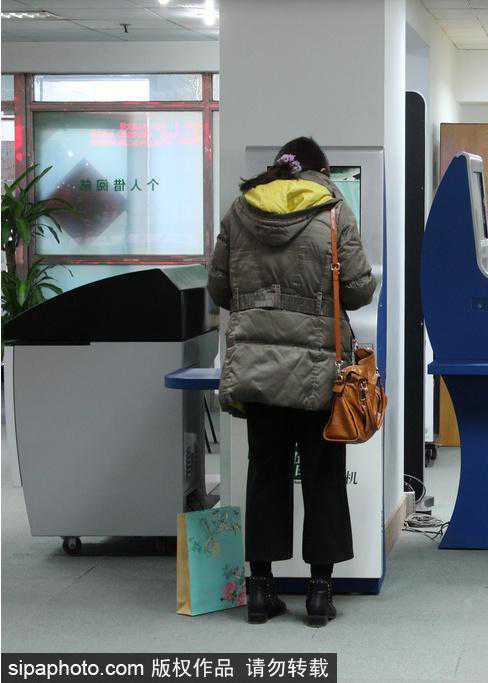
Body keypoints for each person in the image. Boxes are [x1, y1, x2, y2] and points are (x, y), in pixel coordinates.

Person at [208, 137, 377, 627]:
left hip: (257, 366)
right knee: (323, 476)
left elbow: (219, 287)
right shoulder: (333, 211)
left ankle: (260, 591)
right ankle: (320, 595)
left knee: (265, 472)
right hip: (318, 369)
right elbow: (359, 290)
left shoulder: (240, 210)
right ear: (320, 171)